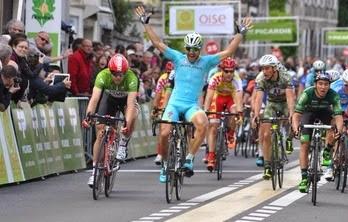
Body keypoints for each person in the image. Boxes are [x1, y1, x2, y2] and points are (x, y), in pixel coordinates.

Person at [135, 5, 252, 182]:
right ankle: (166, 164)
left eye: (195, 49)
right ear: (185, 48)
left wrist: (240, 33)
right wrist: (146, 24)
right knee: (165, 132)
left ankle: (189, 158)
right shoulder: (177, 57)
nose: (192, 53)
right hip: (174, 104)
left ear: (200, 49)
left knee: (203, 123)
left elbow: (228, 51)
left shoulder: (206, 62)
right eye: (189, 49)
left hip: (191, 106)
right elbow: (157, 43)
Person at [82, 54, 140, 187]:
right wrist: (88, 117)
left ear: (126, 72)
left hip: (125, 101)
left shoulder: (132, 78)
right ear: (110, 71)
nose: (118, 77)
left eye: (121, 74)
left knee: (133, 115)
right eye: (115, 74)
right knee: (100, 130)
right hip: (110, 100)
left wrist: (127, 123)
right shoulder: (103, 75)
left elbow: (131, 104)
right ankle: (95, 171)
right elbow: (95, 99)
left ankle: (123, 143)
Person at [292, 72, 343, 192]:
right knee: (305, 143)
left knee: (334, 127)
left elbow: (339, 115)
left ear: (329, 86)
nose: (323, 87)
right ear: (315, 84)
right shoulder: (307, 93)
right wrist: (295, 128)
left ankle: (327, 150)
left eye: (326, 84)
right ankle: (304, 178)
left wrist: (339, 130)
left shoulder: (333, 95)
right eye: (320, 84)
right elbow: (296, 115)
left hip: (325, 113)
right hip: (308, 114)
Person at [252, 54, 295, 180]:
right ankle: (267, 166)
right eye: (262, 68)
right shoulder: (261, 78)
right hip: (272, 103)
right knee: (265, 135)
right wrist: (256, 114)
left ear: (274, 68)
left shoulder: (285, 76)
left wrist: (292, 114)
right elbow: (258, 98)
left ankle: (289, 139)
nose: (264, 71)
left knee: (294, 118)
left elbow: (290, 97)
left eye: (267, 68)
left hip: (284, 102)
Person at [203, 57, 243, 171]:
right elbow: (209, 97)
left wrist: (239, 113)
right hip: (218, 99)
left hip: (230, 98)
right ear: (221, 70)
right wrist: (206, 111)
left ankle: (231, 134)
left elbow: (239, 99)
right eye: (226, 71)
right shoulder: (215, 78)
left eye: (231, 71)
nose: (229, 74)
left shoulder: (237, 80)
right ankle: (211, 156)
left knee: (234, 112)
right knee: (213, 127)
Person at [152, 61, 174, 165]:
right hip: (164, 102)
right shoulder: (163, 78)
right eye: (168, 72)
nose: (170, 75)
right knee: (162, 128)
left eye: (172, 72)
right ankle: (160, 153)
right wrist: (155, 109)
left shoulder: (180, 77)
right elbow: (157, 95)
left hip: (176, 102)